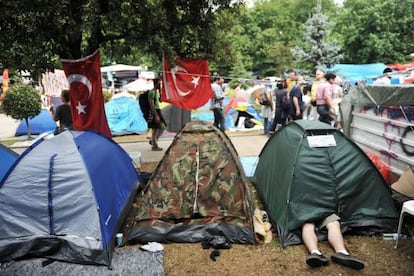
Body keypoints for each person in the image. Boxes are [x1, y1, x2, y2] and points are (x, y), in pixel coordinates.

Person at [148, 78, 166, 151]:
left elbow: (161, 100)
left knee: (162, 127)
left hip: (158, 110)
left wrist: (160, 92)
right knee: (155, 129)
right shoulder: (151, 92)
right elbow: (151, 104)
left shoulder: (156, 92)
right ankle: (154, 146)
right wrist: (156, 115)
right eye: (159, 83)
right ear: (156, 84)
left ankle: (153, 141)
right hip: (154, 111)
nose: (160, 85)